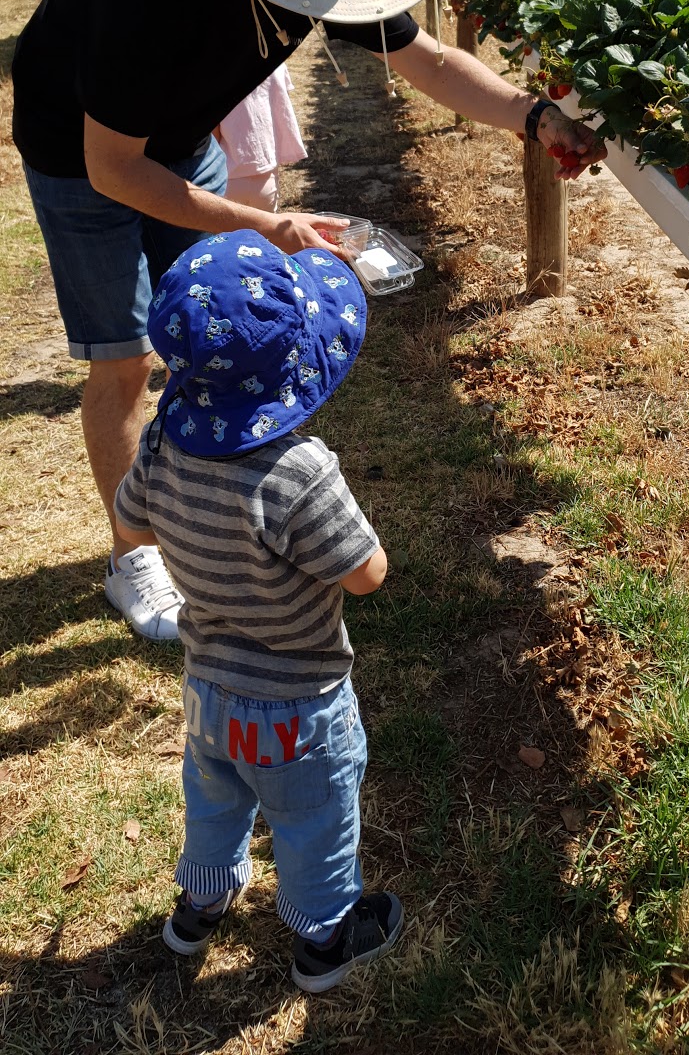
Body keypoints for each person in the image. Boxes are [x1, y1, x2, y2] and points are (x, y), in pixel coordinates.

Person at [12, 0, 605, 641]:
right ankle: (133, 554)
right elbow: (114, 168)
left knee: (219, 329)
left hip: (183, 142)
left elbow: (427, 60)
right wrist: (271, 226)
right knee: (127, 357)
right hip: (80, 157)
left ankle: (204, 521)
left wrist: (533, 117)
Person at [114, 230, 402, 991]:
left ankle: (197, 910)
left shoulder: (161, 446)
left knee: (214, 802)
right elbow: (367, 574)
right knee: (314, 825)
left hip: (209, 688)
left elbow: (133, 524)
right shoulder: (299, 474)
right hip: (299, 705)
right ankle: (325, 941)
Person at [215, 67, 307, 213]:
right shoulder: (275, 62)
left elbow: (212, 135)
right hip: (266, 175)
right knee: (262, 234)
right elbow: (279, 108)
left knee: (224, 235)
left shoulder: (215, 66)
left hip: (225, 178)